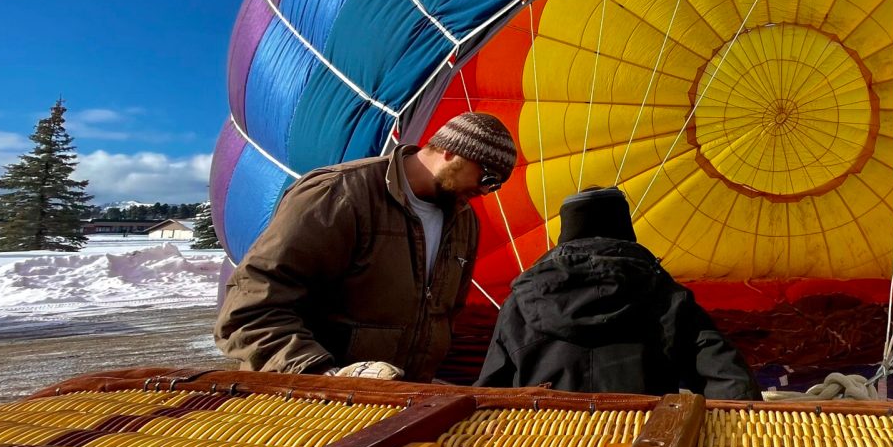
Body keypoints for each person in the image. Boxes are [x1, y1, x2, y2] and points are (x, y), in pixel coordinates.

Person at [215, 111, 516, 381]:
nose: (486, 191)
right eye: (487, 177)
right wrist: (322, 373)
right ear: (451, 152)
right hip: (312, 401)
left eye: (497, 185)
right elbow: (250, 308)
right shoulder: (339, 194)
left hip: (401, 401)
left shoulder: (463, 221)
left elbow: (444, 319)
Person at [475, 186, 761, 399]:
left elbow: (489, 391)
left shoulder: (521, 301)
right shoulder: (666, 296)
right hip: (640, 445)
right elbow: (728, 380)